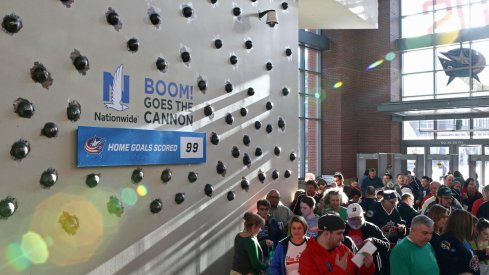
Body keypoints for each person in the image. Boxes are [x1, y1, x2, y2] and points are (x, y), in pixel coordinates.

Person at [298, 214, 375, 274]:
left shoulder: (343, 248)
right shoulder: (307, 257)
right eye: (339, 233)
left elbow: (357, 271)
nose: (342, 238)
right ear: (326, 234)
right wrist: (339, 271)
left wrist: (367, 267)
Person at [344, 203, 390, 275]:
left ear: (363, 216)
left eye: (358, 218)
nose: (356, 221)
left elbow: (387, 246)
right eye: (352, 219)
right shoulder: (342, 230)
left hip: (371, 270)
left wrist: (374, 241)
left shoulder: (372, 228)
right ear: (347, 218)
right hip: (349, 269)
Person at [434, 210, 480, 275]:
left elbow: (465, 256)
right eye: (471, 224)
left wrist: (484, 253)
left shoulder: (462, 238)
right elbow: (447, 266)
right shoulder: (447, 241)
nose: (473, 228)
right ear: (464, 224)